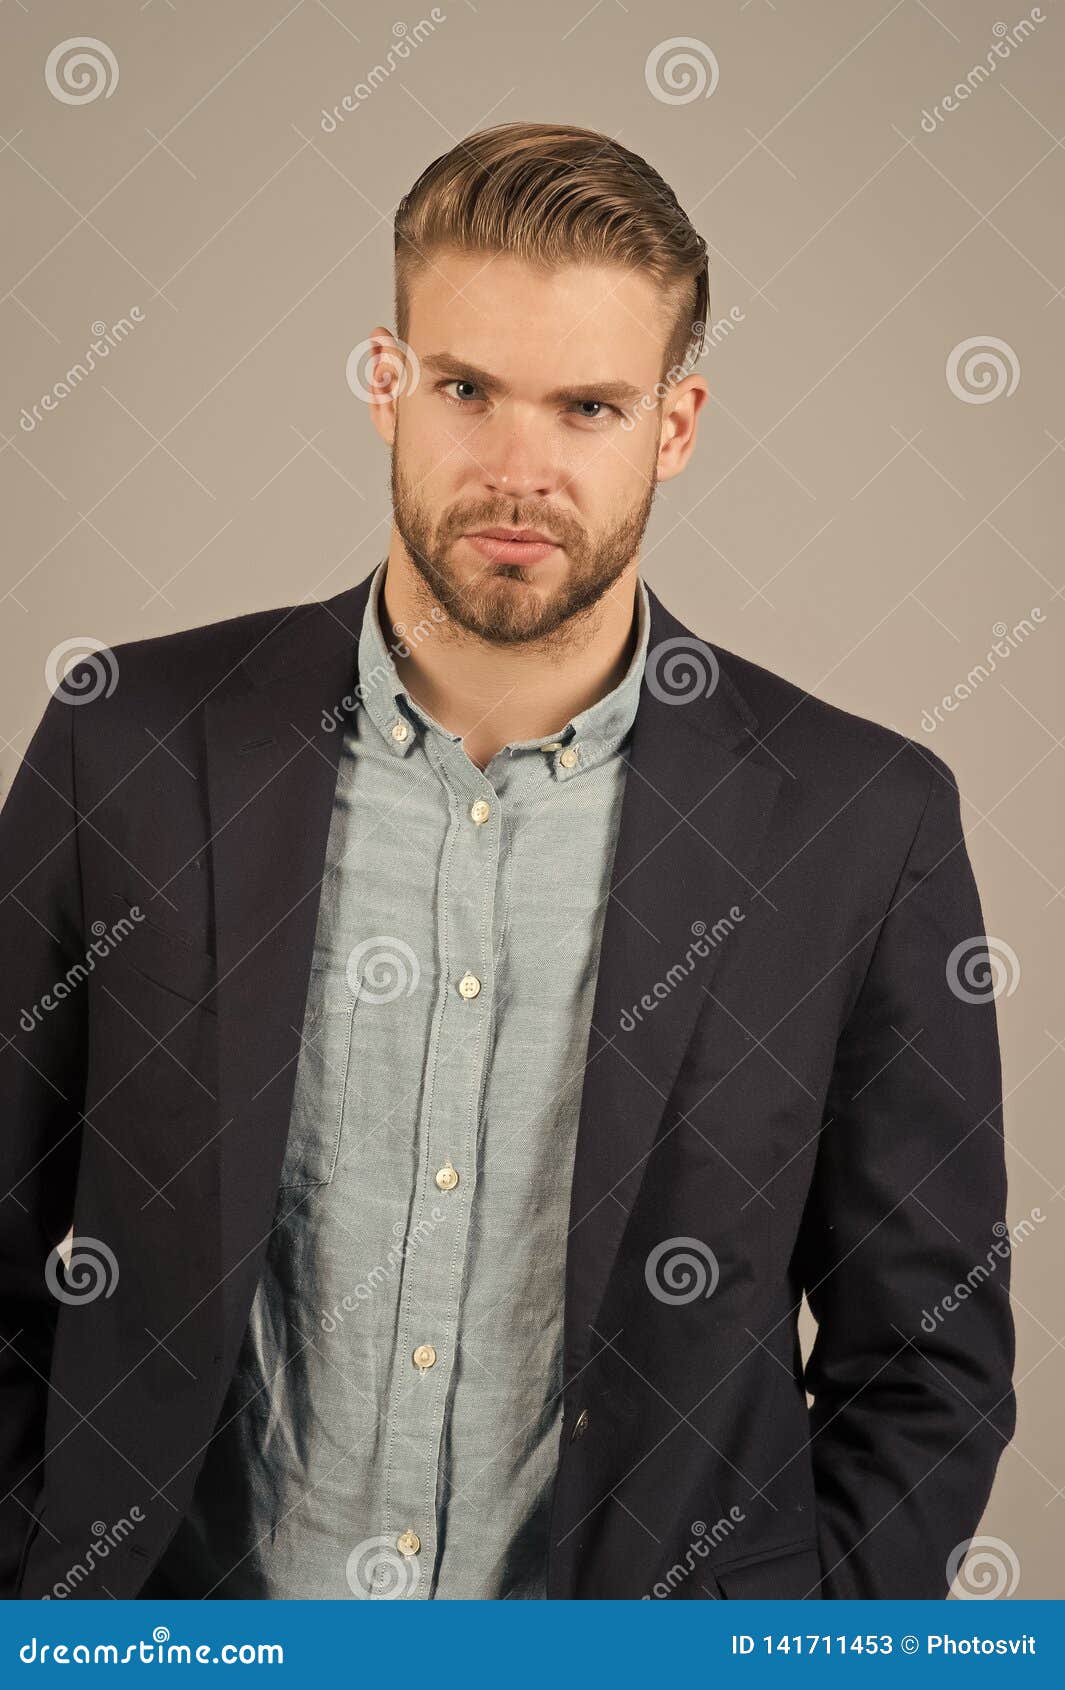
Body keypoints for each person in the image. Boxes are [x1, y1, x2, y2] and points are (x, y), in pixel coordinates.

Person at [0, 122, 1013, 1602]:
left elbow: (924, 1360)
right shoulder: (128, 750)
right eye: (466, 388)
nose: (517, 470)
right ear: (386, 380)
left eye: (588, 406)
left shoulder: (861, 821)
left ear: (674, 424)